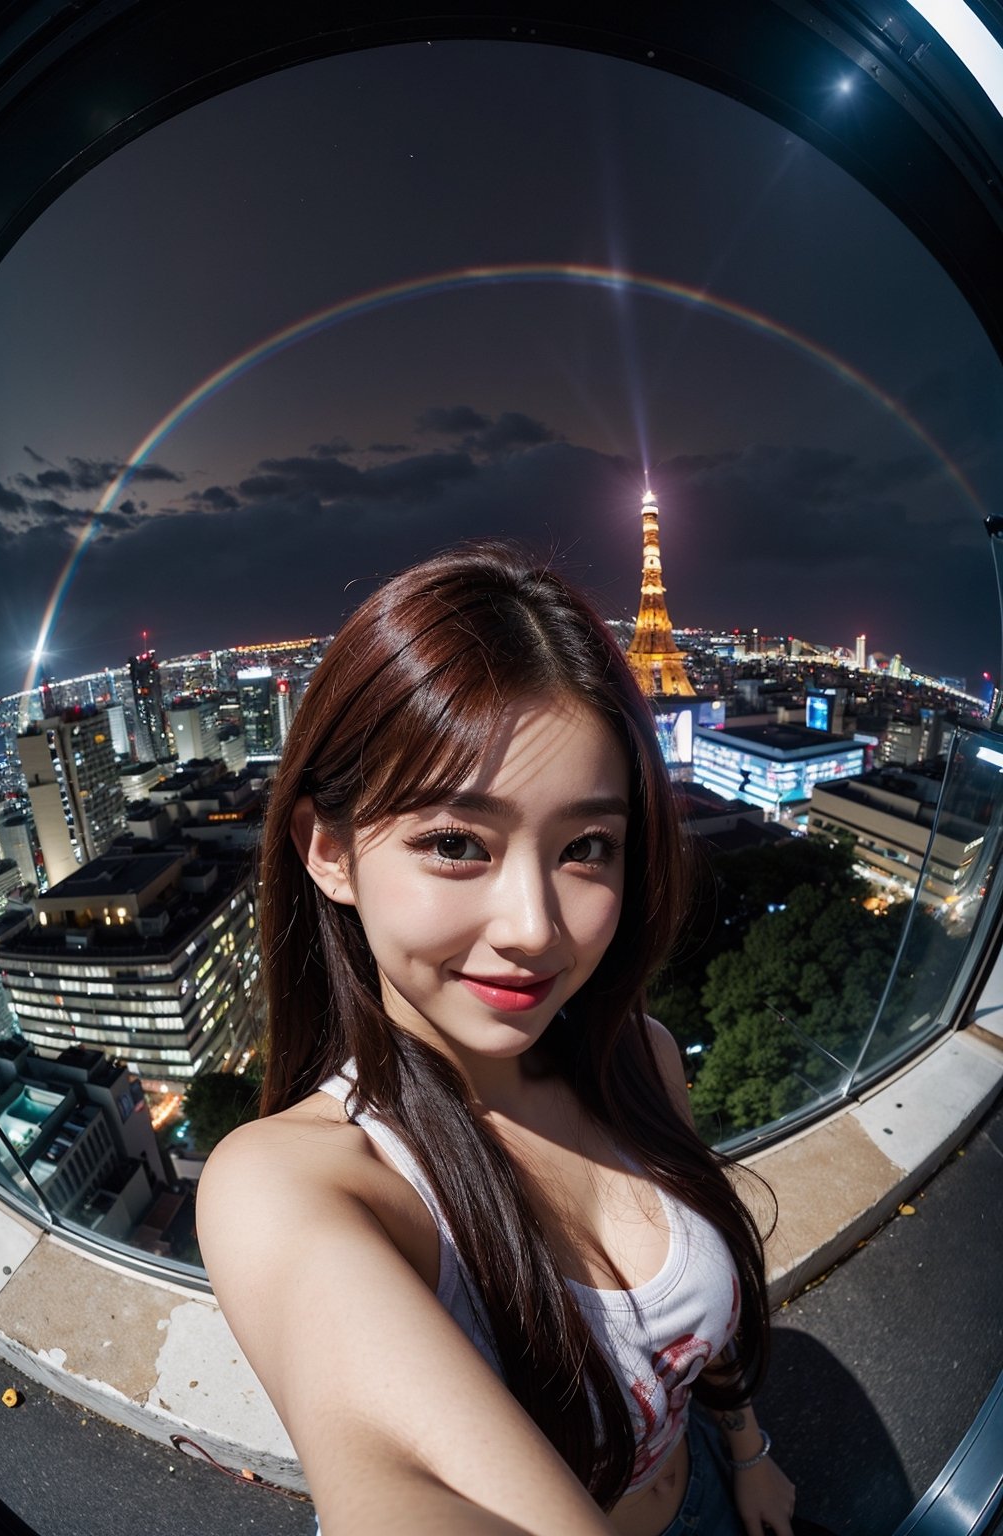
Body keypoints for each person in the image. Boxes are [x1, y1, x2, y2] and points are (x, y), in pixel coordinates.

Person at [197, 541, 797, 1536]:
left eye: (584, 848)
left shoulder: (639, 1060)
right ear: (330, 852)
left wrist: (748, 1453)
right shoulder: (301, 1184)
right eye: (454, 843)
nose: (533, 926)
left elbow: (705, 1338)